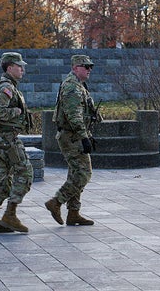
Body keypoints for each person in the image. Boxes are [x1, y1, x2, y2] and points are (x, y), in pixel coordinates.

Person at [45, 54, 99, 226]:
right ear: (75, 68)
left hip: (75, 134)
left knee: (76, 173)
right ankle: (56, 201)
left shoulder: (79, 86)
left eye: (90, 66)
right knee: (84, 173)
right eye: (86, 66)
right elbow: (74, 115)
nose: (89, 69)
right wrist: (84, 137)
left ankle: (73, 212)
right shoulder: (72, 87)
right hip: (72, 136)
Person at [0, 52, 34, 233]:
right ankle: (10, 214)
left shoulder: (7, 86)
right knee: (26, 172)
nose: (22, 69)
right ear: (9, 67)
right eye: (19, 66)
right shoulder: (7, 88)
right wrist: (17, 112)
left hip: (1, 138)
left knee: (1, 177)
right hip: (7, 138)